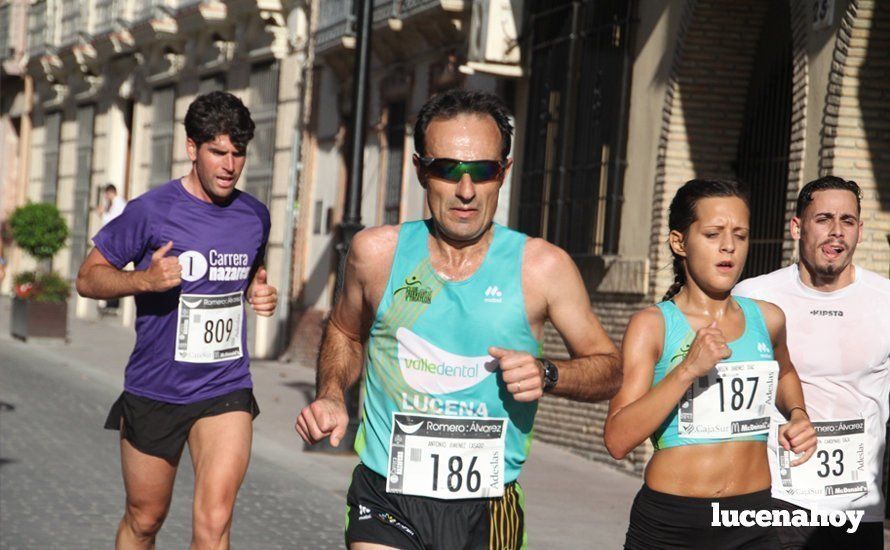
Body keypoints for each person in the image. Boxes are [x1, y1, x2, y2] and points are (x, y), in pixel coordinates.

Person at [295, 89, 622, 549]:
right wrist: (330, 395)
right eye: (448, 170)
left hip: (488, 505)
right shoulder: (378, 254)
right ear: (420, 170)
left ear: (503, 173)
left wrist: (549, 373)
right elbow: (346, 331)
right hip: (388, 493)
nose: (466, 190)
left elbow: (609, 367)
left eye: (483, 171)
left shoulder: (541, 267)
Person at [75, 91, 278, 550]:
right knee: (145, 519)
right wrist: (145, 280)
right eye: (218, 152)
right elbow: (87, 279)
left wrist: (257, 293)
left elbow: (246, 276)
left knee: (215, 521)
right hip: (156, 388)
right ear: (192, 149)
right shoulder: (152, 210)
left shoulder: (255, 217)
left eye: (238, 153)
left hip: (225, 387)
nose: (230, 165)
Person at [604, 179, 817, 549]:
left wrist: (797, 413)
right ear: (679, 242)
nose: (729, 247)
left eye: (741, 235)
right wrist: (687, 369)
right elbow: (618, 439)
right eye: (713, 233)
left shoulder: (768, 319)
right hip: (673, 524)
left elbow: (784, 372)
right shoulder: (653, 325)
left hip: (752, 518)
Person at [734, 176, 890, 549]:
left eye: (847, 221)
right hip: (772, 497)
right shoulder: (753, 296)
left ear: (860, 230)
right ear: (797, 227)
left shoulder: (885, 299)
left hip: (857, 506)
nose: (836, 232)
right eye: (823, 219)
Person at [95, 184, 128, 311]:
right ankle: (107, 300)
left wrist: (102, 214)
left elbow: (113, 223)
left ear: (110, 193)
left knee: (108, 271)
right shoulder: (116, 204)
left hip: (116, 244)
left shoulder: (118, 204)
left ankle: (108, 300)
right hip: (116, 243)